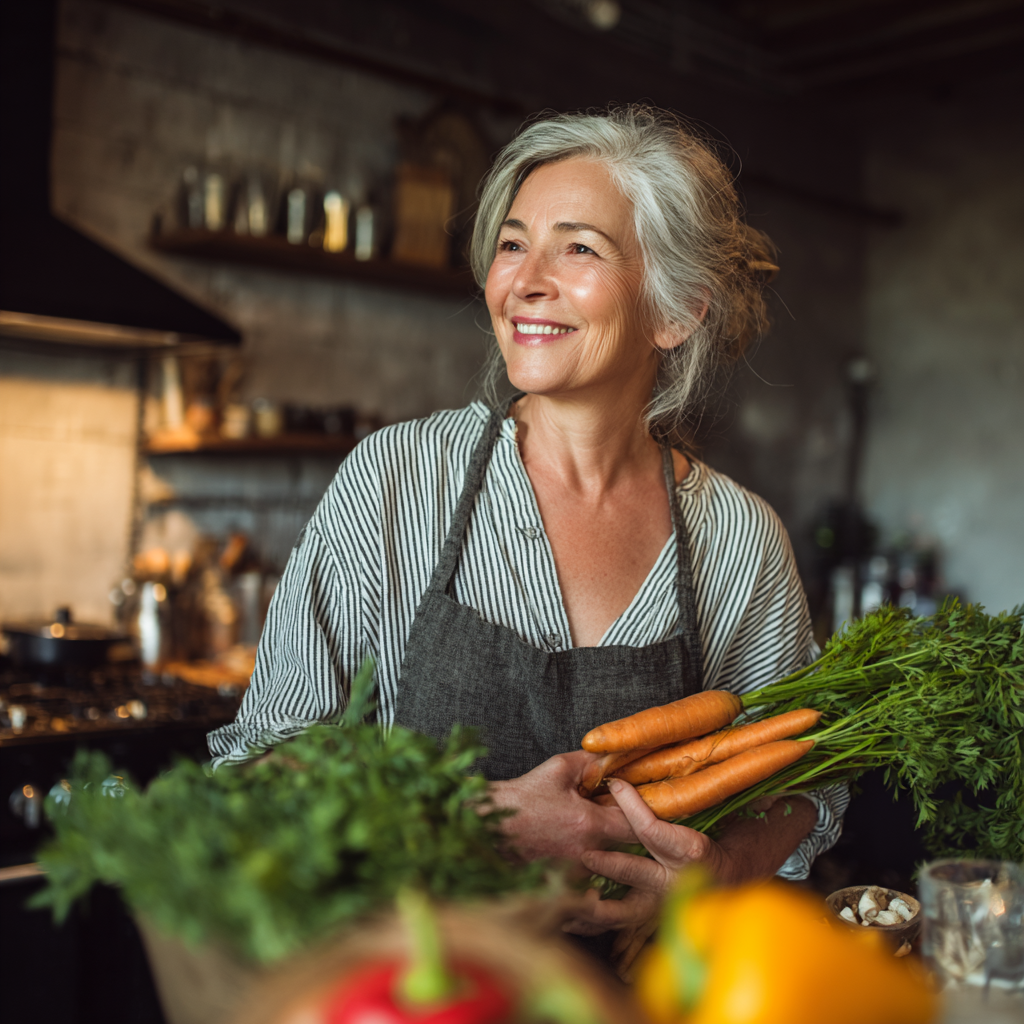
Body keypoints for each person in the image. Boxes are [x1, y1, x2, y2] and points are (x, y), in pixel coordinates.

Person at [208, 104, 847, 949]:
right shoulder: (398, 482)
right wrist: (472, 819)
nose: (526, 280)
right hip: (415, 987)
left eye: (578, 247)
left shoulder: (736, 539)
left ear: (676, 310)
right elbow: (263, 764)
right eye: (513, 244)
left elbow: (806, 786)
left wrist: (720, 869)